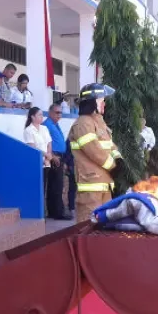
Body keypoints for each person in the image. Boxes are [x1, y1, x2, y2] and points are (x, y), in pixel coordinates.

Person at [68, 83, 122, 222]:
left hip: (104, 183)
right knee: (88, 224)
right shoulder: (83, 123)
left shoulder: (99, 122)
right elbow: (94, 151)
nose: (104, 103)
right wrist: (113, 166)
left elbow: (110, 146)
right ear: (93, 102)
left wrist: (119, 161)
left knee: (103, 226)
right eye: (101, 100)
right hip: (90, 185)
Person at [43, 104, 72, 220]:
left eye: (60, 113)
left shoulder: (55, 124)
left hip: (59, 155)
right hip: (54, 156)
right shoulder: (46, 125)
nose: (59, 115)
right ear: (50, 113)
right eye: (56, 112)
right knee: (57, 185)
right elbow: (44, 142)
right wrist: (53, 156)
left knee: (55, 185)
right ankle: (58, 212)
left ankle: (53, 211)